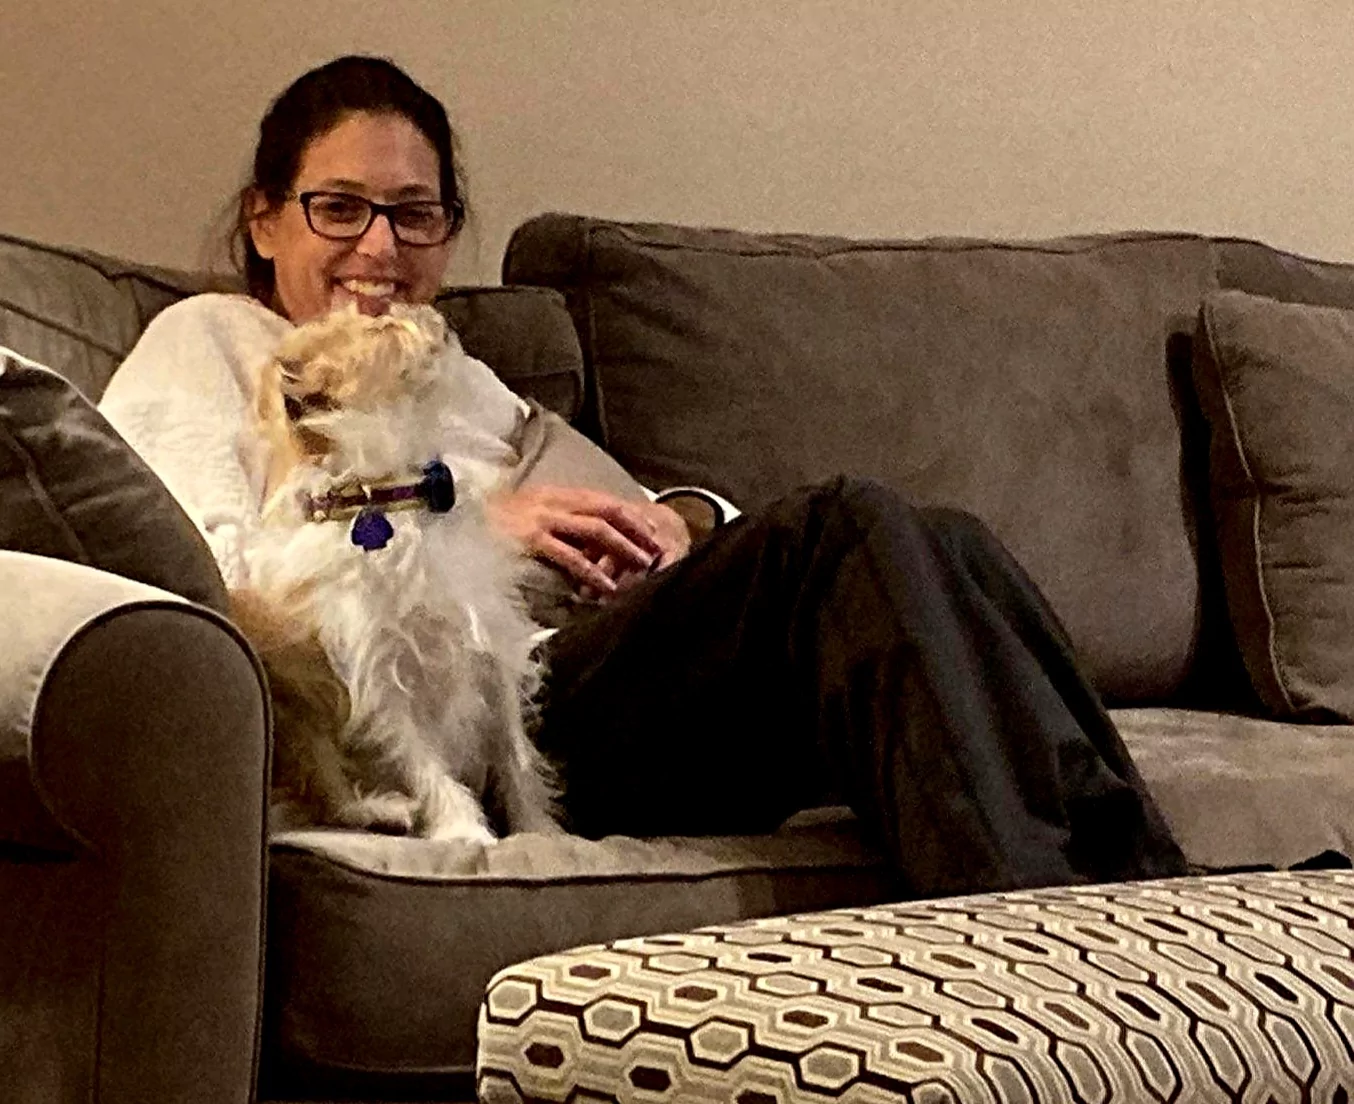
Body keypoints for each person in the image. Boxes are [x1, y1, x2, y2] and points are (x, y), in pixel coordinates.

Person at [98, 55, 1188, 900]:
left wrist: (676, 518)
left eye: (417, 214)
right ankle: (1024, 918)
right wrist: (474, 521)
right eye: (340, 207)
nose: (380, 248)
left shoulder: (458, 372)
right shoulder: (213, 343)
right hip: (465, 721)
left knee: (942, 534)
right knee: (847, 524)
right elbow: (202, 577)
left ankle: (1151, 893)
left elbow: (639, 508)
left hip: (579, 669)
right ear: (263, 216)